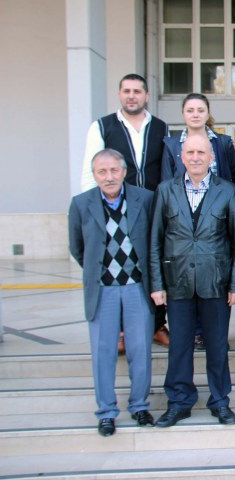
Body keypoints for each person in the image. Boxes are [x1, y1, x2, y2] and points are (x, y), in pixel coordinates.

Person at [150, 134, 235, 428]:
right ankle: (179, 402)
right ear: (181, 157)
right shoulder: (165, 190)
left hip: (215, 282)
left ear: (211, 158)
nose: (196, 157)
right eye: (190, 152)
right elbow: (155, 241)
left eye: (201, 152)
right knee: (179, 347)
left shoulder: (227, 190)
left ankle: (220, 401)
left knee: (217, 346)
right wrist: (157, 284)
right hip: (177, 282)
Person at [69, 149, 155, 437]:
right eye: (102, 172)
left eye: (114, 170)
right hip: (103, 289)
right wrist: (99, 271)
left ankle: (139, 405)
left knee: (140, 350)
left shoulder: (145, 198)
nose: (109, 177)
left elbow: (153, 240)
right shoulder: (81, 204)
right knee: (103, 352)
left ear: (124, 172)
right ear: (94, 175)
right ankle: (106, 412)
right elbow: (77, 247)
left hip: (137, 287)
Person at [80, 73, 170, 350]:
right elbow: (90, 170)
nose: (132, 96)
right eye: (126, 91)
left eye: (137, 91)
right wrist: (92, 209)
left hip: (152, 207)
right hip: (115, 209)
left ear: (146, 95)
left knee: (155, 264)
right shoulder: (102, 126)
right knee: (120, 264)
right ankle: (120, 331)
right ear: (120, 94)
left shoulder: (160, 126)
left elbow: (166, 167)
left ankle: (157, 324)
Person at [161, 93, 235, 350]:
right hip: (183, 217)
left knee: (212, 277)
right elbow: (166, 180)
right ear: (183, 114)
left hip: (216, 216)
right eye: (190, 110)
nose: (195, 114)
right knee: (187, 277)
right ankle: (194, 332)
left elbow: (232, 175)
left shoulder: (223, 142)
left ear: (208, 112)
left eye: (200, 110)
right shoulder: (171, 144)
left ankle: (211, 333)